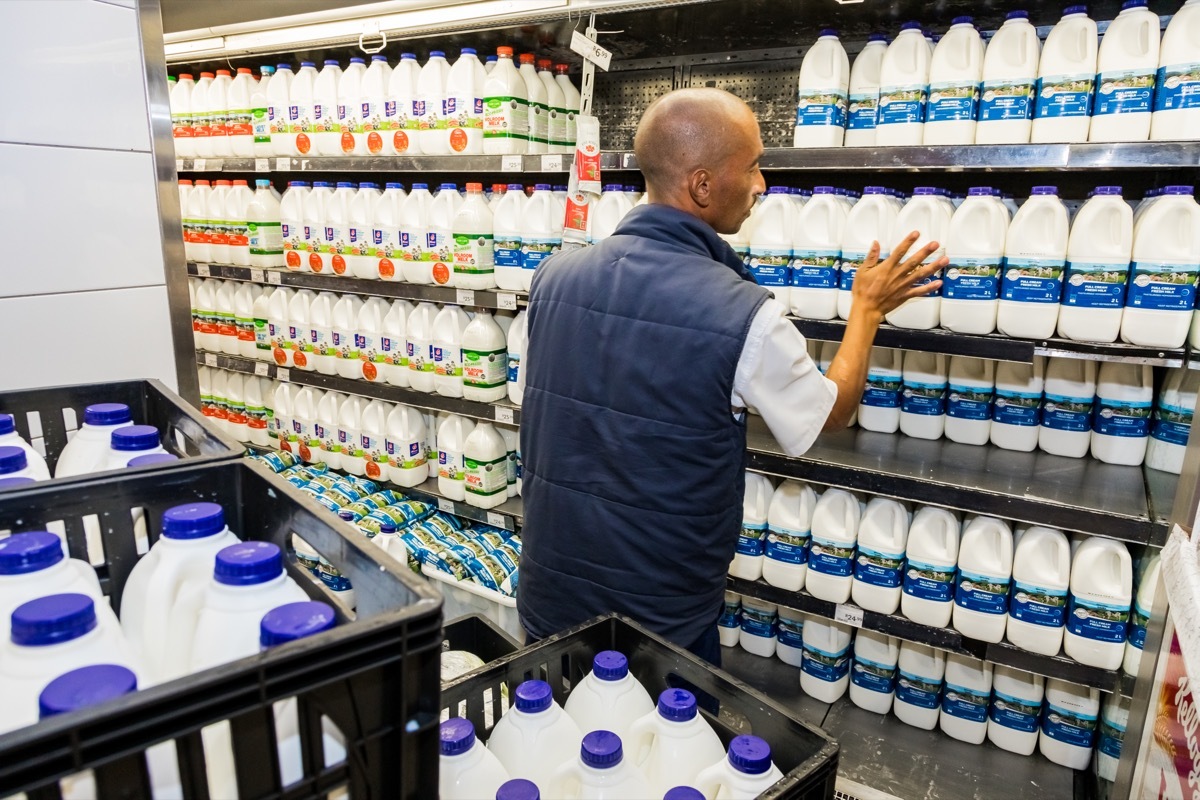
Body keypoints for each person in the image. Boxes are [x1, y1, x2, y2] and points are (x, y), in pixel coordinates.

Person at [516, 87, 946, 664]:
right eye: (753, 167)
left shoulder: (554, 277)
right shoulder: (742, 313)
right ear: (702, 185)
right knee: (670, 747)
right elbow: (829, 413)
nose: (762, 184)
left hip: (550, 596)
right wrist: (865, 311)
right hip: (659, 623)